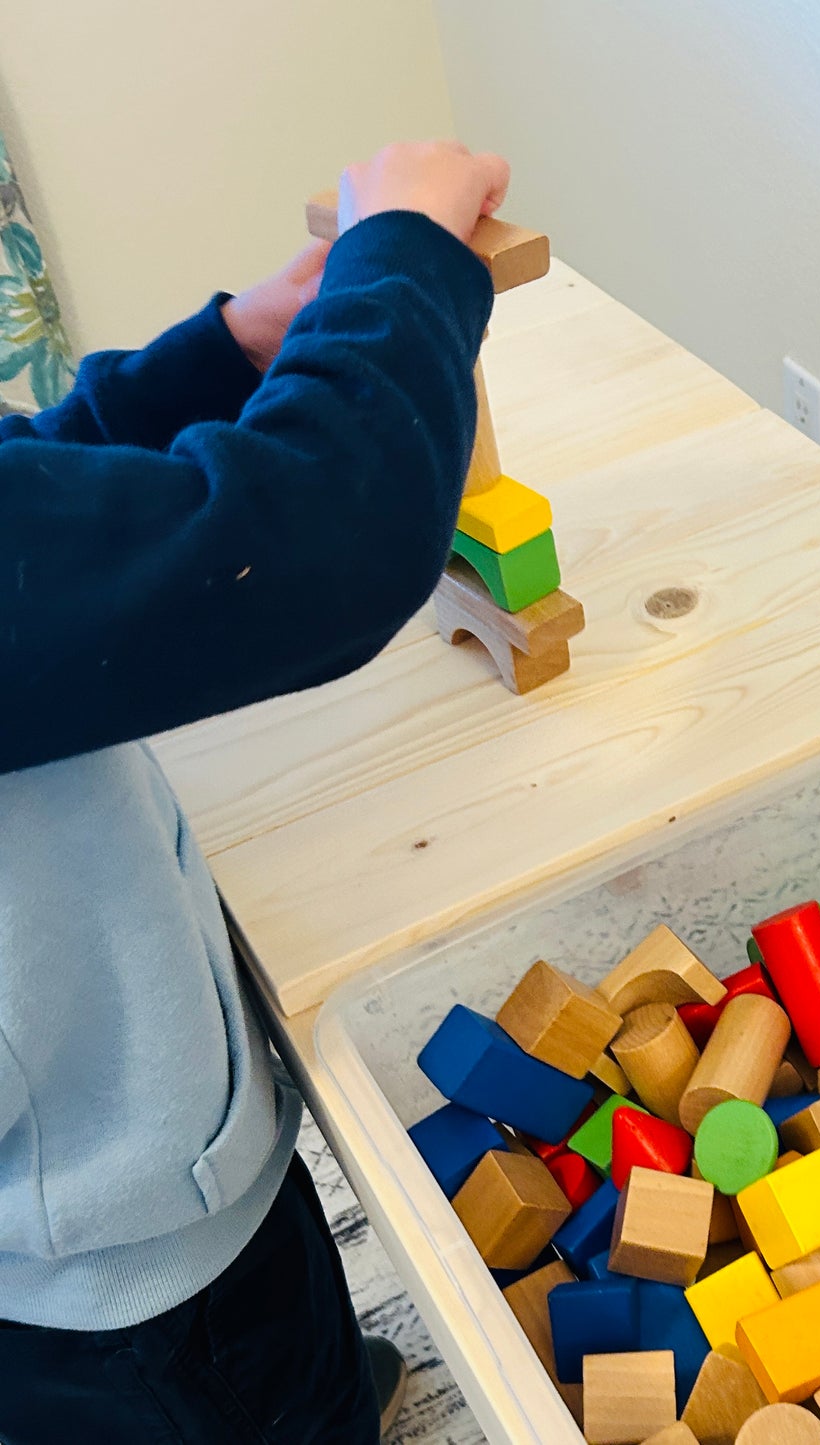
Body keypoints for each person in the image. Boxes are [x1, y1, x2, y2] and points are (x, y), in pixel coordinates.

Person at [0, 140, 508, 1444]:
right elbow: (317, 538)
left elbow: (44, 484)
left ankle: (321, 1394)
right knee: (249, 1380)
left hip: (125, 1150)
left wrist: (227, 349)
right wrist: (412, 253)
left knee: (282, 1315)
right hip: (112, 1260)